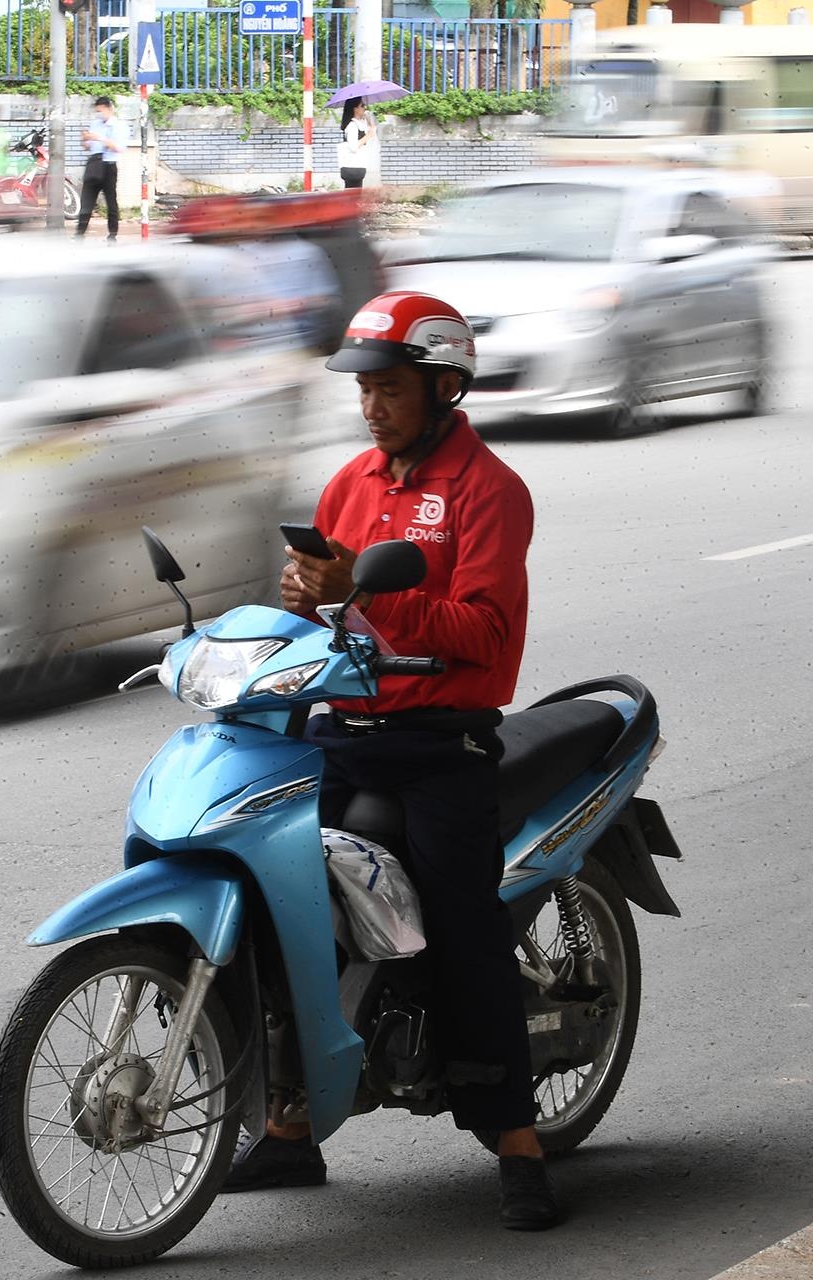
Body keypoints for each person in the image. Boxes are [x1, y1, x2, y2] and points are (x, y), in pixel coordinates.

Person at [227, 290, 558, 1233]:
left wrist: (371, 599)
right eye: (364, 387)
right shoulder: (350, 486)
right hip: (344, 733)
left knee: (464, 926)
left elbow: (486, 630)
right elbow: (318, 616)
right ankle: (292, 1124)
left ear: (446, 385)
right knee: (274, 894)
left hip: (440, 747)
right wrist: (297, 602)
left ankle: (517, 1140)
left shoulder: (489, 492)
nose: (372, 404)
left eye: (390, 387)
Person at [77, 95, 129, 241]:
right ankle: (79, 233)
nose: (100, 114)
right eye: (98, 111)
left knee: (111, 201)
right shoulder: (95, 124)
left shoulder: (119, 126)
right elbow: (88, 147)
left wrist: (99, 138)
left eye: (102, 111)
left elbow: (118, 148)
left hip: (109, 166)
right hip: (94, 163)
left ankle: (112, 234)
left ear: (110, 109)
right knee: (87, 200)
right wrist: (85, 139)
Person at [337, 100, 378, 190]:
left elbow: (371, 135)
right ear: (355, 109)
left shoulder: (359, 124)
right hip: (352, 167)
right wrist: (368, 135)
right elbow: (353, 147)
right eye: (362, 106)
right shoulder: (352, 126)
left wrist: (369, 123)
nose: (364, 108)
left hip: (357, 166)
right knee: (352, 198)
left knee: (354, 197)